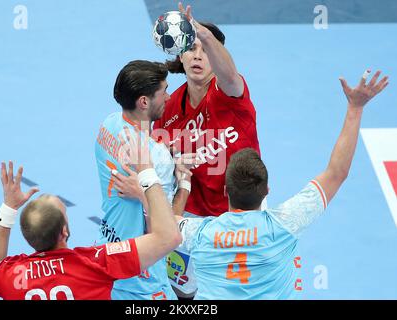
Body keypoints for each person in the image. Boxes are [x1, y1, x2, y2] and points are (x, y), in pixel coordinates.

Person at [173, 70, 388, 299]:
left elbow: (164, 226)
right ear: (266, 191)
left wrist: (178, 186)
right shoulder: (286, 223)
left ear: (226, 191)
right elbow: (337, 173)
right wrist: (355, 108)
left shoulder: (200, 234)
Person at [0, 130, 182, 300]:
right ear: (64, 232)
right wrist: (146, 172)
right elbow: (168, 238)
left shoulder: (15, 275)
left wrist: (8, 208)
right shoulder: (93, 263)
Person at [151, 2, 261, 298]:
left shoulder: (230, 93)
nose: (198, 55)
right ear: (181, 55)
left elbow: (229, 73)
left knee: (238, 291)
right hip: (192, 218)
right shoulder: (168, 109)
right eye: (191, 48)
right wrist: (172, 161)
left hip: (241, 213)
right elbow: (161, 166)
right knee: (183, 290)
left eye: (206, 50)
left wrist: (206, 36)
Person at [94, 60, 193, 300]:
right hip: (143, 276)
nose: (169, 97)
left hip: (108, 250)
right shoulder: (155, 158)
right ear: (144, 101)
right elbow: (165, 228)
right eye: (164, 91)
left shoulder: (109, 123)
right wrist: (183, 184)